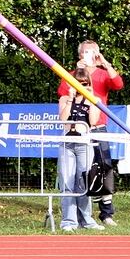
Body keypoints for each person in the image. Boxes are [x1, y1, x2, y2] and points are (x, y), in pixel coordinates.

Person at [59, 40, 124, 227]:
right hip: (77, 131)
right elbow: (63, 94)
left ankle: (106, 212)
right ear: (80, 55)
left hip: (98, 127)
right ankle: (75, 217)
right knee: (79, 174)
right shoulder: (72, 75)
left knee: (104, 167)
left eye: (92, 52)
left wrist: (104, 63)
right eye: (85, 52)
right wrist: (77, 74)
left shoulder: (103, 73)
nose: (89, 55)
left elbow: (118, 84)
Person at [55, 64, 101, 231]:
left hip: (84, 144)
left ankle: (86, 220)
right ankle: (69, 221)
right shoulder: (64, 99)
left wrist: (91, 98)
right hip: (67, 144)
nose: (81, 85)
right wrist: (69, 98)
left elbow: (94, 121)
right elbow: (63, 119)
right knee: (67, 182)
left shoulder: (94, 100)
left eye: (84, 83)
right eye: (77, 82)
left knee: (83, 182)